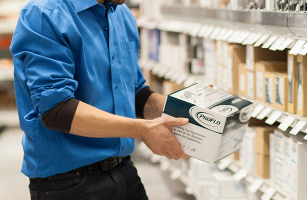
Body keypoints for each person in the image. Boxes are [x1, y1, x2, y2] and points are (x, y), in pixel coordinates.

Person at [10, 0, 189, 199]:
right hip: (68, 183)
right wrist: (142, 130)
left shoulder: (122, 15)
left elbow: (135, 93)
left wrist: (185, 111)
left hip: (124, 171)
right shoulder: (45, 14)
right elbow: (56, 110)